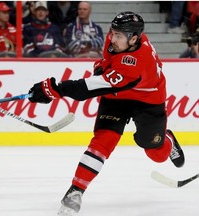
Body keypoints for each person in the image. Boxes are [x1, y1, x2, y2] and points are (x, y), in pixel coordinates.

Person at [27, 11, 185, 215]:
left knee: (156, 153)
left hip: (148, 100)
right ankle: (76, 191)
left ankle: (167, 139)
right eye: (113, 32)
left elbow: (91, 87)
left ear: (134, 38)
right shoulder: (126, 40)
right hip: (117, 97)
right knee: (103, 141)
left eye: (119, 35)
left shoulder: (136, 62)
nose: (113, 38)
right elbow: (108, 64)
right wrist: (103, 66)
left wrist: (55, 89)